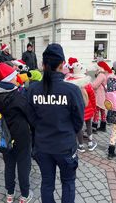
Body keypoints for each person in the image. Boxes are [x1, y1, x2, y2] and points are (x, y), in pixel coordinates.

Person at [26, 44, 85, 203]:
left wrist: (42, 129)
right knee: (68, 182)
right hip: (64, 146)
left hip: (42, 146)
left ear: (43, 65)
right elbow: (79, 120)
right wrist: (66, 132)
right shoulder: (72, 90)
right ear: (62, 64)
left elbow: (31, 118)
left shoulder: (32, 89)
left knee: (47, 183)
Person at [0, 63, 33, 203]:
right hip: (21, 136)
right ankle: (24, 195)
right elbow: (29, 114)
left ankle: (9, 193)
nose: (17, 79)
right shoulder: (16, 96)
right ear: (9, 80)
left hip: (4, 136)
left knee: (9, 165)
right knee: (23, 164)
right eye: (14, 77)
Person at [65, 60, 97, 153]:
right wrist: (94, 108)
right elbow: (92, 97)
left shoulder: (70, 83)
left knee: (79, 126)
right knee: (88, 124)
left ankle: (81, 145)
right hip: (88, 108)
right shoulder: (87, 83)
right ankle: (90, 144)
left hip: (77, 110)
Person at [92, 61, 113, 132]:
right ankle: (103, 126)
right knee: (103, 111)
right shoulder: (107, 74)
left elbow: (94, 85)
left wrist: (88, 83)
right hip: (104, 96)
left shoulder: (101, 75)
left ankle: (94, 127)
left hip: (99, 96)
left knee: (96, 111)